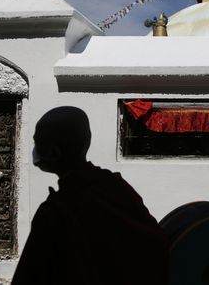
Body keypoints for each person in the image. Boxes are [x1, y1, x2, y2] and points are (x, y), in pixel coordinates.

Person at [12, 106, 169, 285]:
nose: (34, 149)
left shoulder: (55, 213)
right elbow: (156, 244)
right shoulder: (116, 187)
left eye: (37, 142)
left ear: (54, 153)